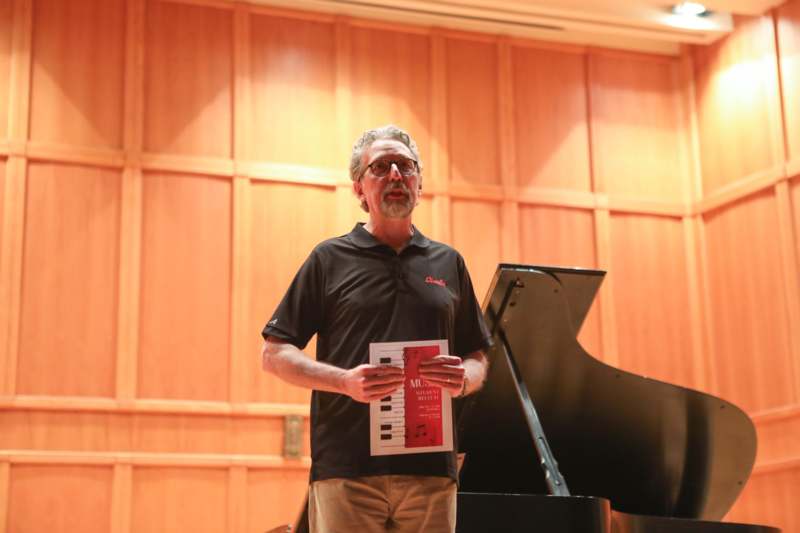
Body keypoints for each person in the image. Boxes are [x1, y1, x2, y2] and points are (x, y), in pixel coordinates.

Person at [261, 125, 492, 533]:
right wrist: (344, 381)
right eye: (381, 167)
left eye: (405, 166)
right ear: (359, 189)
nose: (396, 175)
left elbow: (478, 356)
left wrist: (464, 379)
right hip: (347, 469)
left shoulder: (449, 262)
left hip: (431, 472)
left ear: (419, 184)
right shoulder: (328, 258)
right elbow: (275, 355)